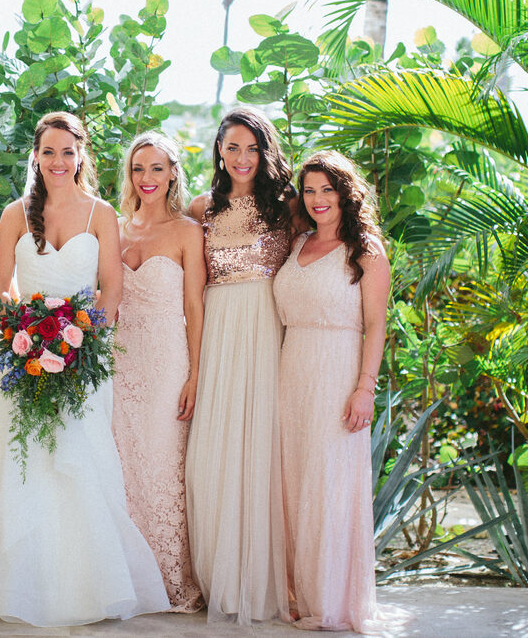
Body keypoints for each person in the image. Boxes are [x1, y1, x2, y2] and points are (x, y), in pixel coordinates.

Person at [0, 111, 169, 626]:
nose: (58, 162)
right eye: (48, 152)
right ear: (36, 155)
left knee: (78, 463)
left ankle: (84, 585)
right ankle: (20, 583)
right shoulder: (13, 215)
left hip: (83, 361)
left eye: (67, 152)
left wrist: (82, 345)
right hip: (23, 361)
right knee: (21, 465)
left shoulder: (100, 215)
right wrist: (20, 339)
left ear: (82, 156)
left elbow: (112, 290)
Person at [184, 106, 294, 623]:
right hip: (219, 326)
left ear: (265, 152)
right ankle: (217, 577)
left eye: (252, 148)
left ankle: (259, 579)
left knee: (261, 447)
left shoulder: (287, 207)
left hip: (266, 326)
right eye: (232, 147)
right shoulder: (201, 208)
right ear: (219, 152)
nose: (242, 157)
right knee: (214, 447)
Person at [275, 151, 389, 632]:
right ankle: (296, 593)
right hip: (291, 370)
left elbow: (377, 327)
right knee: (292, 482)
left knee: (329, 485)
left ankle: (330, 599)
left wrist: (365, 389)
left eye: (328, 189)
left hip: (337, 372)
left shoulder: (365, 250)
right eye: (310, 190)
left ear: (345, 193)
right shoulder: (297, 242)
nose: (318, 199)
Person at [112, 132, 206, 613]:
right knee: (121, 468)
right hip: (118, 361)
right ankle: (126, 574)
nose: (146, 178)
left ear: (172, 172)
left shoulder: (189, 231)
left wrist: (195, 374)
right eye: (137, 169)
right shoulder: (117, 227)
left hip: (169, 359)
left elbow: (194, 306)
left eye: (156, 168)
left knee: (163, 466)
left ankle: (171, 579)